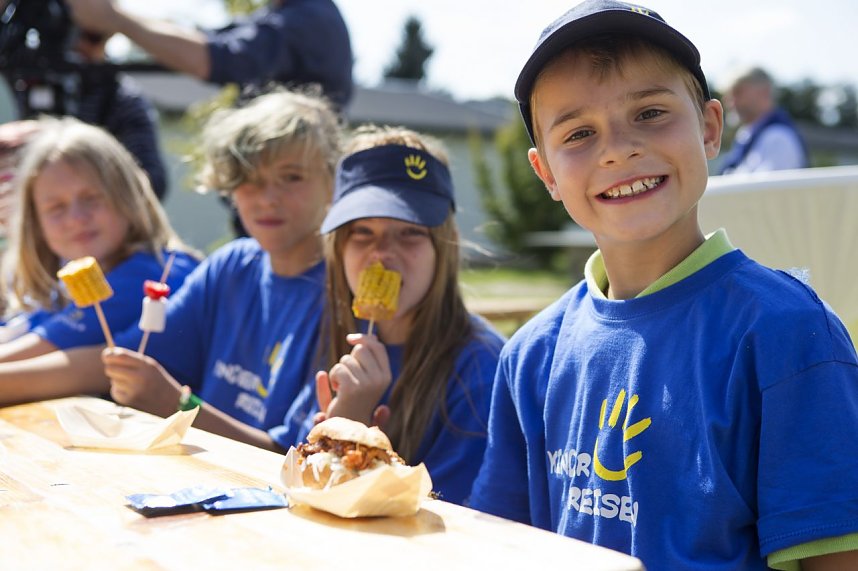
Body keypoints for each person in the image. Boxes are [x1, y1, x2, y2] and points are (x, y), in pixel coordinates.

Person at [468, 2, 858, 570]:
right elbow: (500, 546)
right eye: (579, 133)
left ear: (709, 128)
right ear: (546, 172)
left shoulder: (790, 334)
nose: (618, 149)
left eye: (650, 113)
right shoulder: (530, 356)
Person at [269, 126, 505, 505]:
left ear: (443, 247)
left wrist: (350, 433)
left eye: (410, 232)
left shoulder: (482, 369)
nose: (381, 253)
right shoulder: (337, 334)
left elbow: (443, 521)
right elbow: (286, 466)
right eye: (363, 231)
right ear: (339, 248)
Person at [96, 89, 343, 447]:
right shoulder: (230, 266)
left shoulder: (342, 295)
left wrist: (176, 404)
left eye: (291, 177)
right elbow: (132, 360)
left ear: (334, 182)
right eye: (249, 179)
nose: (267, 198)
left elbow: (294, 454)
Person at [0, 116, 199, 360]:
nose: (76, 218)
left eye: (91, 198)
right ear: (35, 222)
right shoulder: (58, 286)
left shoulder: (152, 272)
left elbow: (29, 355)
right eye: (56, 208)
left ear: (128, 196)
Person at [65, 0, 353, 109]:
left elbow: (217, 59)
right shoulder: (285, 15)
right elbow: (207, 40)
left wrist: (115, 19)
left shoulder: (307, 19)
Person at [73, 30, 169, 200]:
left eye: (92, 36)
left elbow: (152, 183)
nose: (80, 46)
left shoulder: (122, 98)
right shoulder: (25, 83)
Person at [718, 66, 809, 174]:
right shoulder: (746, 135)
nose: (729, 101)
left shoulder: (779, 139)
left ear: (764, 92)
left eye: (738, 92)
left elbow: (771, 185)